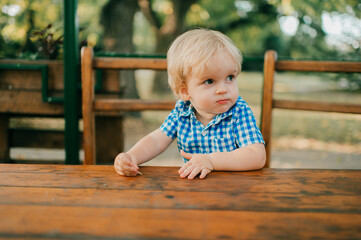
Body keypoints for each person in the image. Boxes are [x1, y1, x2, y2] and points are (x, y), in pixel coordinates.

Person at [114, 28, 266, 179]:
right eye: (209, 81)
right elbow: (156, 141)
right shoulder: (182, 112)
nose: (223, 89)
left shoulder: (238, 111)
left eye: (230, 77)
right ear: (185, 92)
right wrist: (131, 157)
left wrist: (211, 161)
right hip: (194, 190)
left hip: (235, 188)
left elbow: (257, 155)